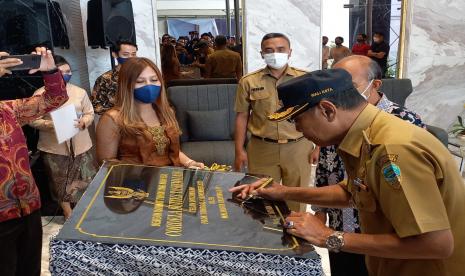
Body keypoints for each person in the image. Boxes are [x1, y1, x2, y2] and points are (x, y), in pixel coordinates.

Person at [231, 69, 465, 276]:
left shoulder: (392, 149)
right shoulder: (365, 133)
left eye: (296, 119)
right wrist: (283, 192)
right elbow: (353, 191)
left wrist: (328, 236)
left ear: (327, 110)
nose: (297, 129)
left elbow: (436, 244)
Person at [310, 55, 426, 276]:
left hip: (382, 235)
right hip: (339, 225)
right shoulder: (334, 117)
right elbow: (326, 168)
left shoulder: (404, 121)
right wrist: (320, 210)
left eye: (350, 85)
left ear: (376, 84)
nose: (339, 93)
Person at [0, 48, 69, 276]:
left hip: (28, 207)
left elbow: (54, 99)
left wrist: (49, 71)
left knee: (30, 269)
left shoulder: (7, 110)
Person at [234, 33, 314, 211]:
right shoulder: (248, 81)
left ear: (290, 52)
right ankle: (265, 236)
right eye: (269, 50)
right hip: (262, 148)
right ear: (262, 53)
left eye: (280, 49)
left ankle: (295, 234)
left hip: (298, 147)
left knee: (298, 197)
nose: (274, 54)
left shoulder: (305, 79)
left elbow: (316, 114)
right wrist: (239, 150)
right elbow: (241, 116)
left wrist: (320, 147)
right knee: (260, 197)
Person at [96, 57, 204, 169]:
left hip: (172, 179)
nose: (148, 86)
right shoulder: (112, 119)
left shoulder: (166, 111)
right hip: (135, 183)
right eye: (140, 81)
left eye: (153, 80)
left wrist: (190, 163)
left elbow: (171, 151)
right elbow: (107, 164)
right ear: (127, 85)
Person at [29, 55, 97, 220]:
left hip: (81, 144)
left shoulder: (79, 92)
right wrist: (53, 125)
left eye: (68, 71)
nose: (66, 75)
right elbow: (31, 120)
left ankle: (87, 211)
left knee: (86, 177)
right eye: (61, 72)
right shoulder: (39, 95)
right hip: (55, 147)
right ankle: (68, 214)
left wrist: (84, 122)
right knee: (59, 181)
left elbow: (90, 112)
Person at [91, 40, 138, 115]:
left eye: (133, 54)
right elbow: (96, 106)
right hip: (117, 122)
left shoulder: (141, 75)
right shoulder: (105, 79)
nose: (130, 58)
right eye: (126, 54)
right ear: (115, 54)